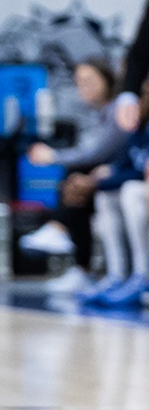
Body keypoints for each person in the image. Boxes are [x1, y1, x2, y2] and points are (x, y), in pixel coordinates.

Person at [18, 61, 132, 293]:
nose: (84, 88)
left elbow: (97, 152)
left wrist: (52, 156)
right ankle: (82, 266)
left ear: (107, 80)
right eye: (79, 82)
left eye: (90, 81)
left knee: (80, 178)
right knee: (77, 181)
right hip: (109, 174)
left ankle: (60, 230)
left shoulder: (120, 108)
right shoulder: (92, 113)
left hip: (125, 175)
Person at [80, 77, 148, 309]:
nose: (143, 96)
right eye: (143, 91)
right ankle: (118, 274)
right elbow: (128, 165)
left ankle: (143, 274)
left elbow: (138, 175)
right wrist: (100, 179)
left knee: (130, 191)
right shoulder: (140, 126)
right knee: (107, 193)